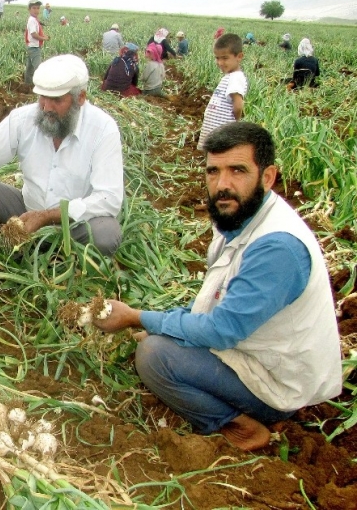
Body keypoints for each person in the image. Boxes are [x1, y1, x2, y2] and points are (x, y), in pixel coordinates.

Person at [94, 122, 342, 451]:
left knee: (155, 357)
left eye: (237, 170)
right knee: (160, 338)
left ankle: (239, 426)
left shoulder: (277, 247)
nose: (222, 185)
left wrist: (136, 318)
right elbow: (214, 305)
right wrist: (160, 324)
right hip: (250, 353)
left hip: (276, 385)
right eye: (213, 171)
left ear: (267, 177)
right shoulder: (239, 220)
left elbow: (221, 329)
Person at [0, 54, 124, 256]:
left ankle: (61, 256)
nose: (46, 108)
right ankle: (14, 243)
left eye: (57, 100)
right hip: (26, 209)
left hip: (74, 224)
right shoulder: (24, 119)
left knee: (105, 235)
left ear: (81, 98)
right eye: (42, 97)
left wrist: (47, 216)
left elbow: (109, 198)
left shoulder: (102, 129)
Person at [197, 33, 247, 150]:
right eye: (217, 58)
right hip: (216, 131)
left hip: (222, 132)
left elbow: (238, 105)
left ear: (239, 57)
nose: (220, 63)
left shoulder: (236, 78)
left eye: (225, 58)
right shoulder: (230, 76)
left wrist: (235, 124)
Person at [24, 0, 49, 85]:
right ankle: (41, 86)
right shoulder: (32, 20)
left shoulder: (34, 19)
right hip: (34, 47)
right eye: (34, 8)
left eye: (38, 8)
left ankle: (27, 84)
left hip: (31, 46)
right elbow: (34, 34)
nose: (36, 10)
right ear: (29, 9)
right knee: (38, 68)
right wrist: (44, 38)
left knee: (29, 67)